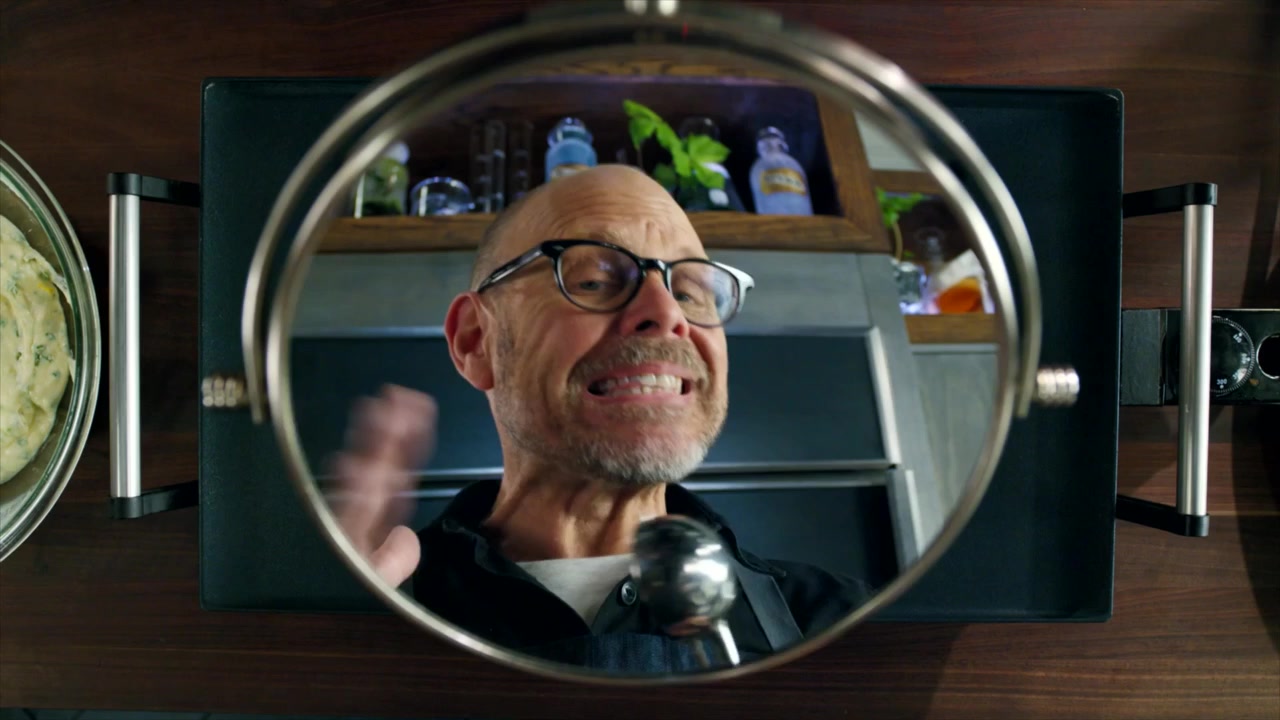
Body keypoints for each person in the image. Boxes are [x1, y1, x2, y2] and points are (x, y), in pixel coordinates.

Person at [332, 164, 872, 672]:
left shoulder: (844, 627)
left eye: (690, 292)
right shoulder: (371, 606)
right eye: (592, 280)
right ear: (476, 341)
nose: (667, 314)